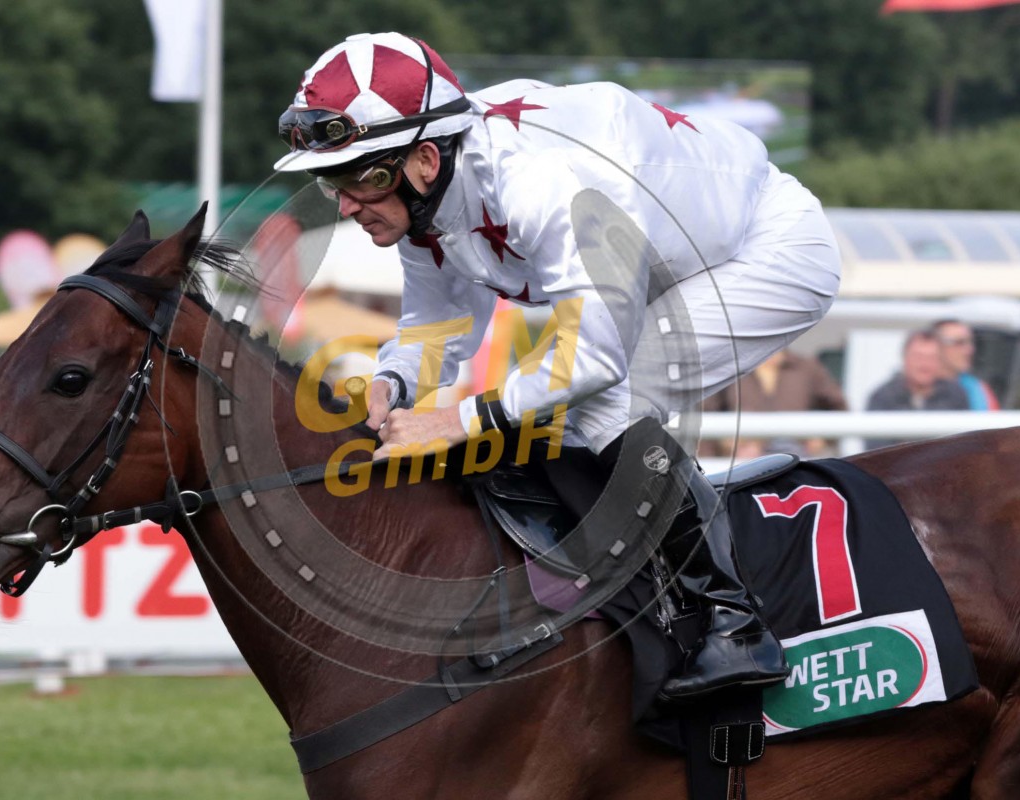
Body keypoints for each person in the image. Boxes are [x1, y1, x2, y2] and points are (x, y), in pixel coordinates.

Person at [275, 33, 842, 698]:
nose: (347, 204)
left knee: (603, 402)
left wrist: (455, 421)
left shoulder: (541, 184)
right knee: (552, 419)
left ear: (424, 158)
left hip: (767, 249)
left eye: (362, 178)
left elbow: (594, 358)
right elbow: (438, 325)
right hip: (669, 262)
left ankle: (734, 622)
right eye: (332, 182)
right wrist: (391, 382)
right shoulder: (425, 189)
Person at [702, 349, 847, 459]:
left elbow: (838, 407)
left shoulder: (807, 367)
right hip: (743, 454)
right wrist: (723, 444)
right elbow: (704, 412)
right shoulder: (731, 367)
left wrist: (822, 439)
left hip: (796, 451)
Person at [865, 330, 968, 449]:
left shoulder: (955, 394)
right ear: (905, 358)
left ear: (941, 361)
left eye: (932, 357)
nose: (925, 364)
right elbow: (876, 451)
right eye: (918, 356)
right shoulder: (883, 397)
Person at [931, 319, 998, 411]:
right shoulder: (918, 386)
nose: (969, 350)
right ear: (935, 346)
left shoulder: (980, 390)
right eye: (959, 343)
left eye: (970, 342)